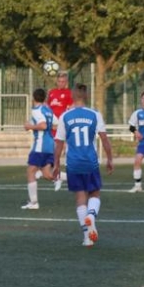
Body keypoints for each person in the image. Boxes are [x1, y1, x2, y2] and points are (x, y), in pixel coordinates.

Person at [53, 83, 114, 247]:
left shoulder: (65, 116)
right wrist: (110, 159)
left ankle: (87, 238)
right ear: (86, 96)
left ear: (72, 96)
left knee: (80, 198)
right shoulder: (95, 115)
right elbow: (104, 139)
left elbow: (59, 143)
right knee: (94, 193)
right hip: (90, 162)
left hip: (73, 163)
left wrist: (56, 164)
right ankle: (91, 216)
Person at [21, 88, 59, 209]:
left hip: (41, 145)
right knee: (47, 174)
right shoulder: (48, 110)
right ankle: (63, 178)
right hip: (50, 144)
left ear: (33, 98)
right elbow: (55, 125)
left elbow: (43, 125)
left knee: (30, 171)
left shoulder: (36, 110)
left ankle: (34, 203)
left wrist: (30, 126)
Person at [47, 71, 72, 186]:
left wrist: (63, 124)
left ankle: (66, 174)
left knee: (64, 151)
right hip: (52, 127)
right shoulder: (51, 93)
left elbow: (70, 109)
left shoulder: (69, 93)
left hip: (62, 126)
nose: (61, 83)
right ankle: (58, 175)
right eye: (59, 81)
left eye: (63, 81)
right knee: (53, 153)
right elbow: (48, 108)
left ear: (66, 82)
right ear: (56, 81)